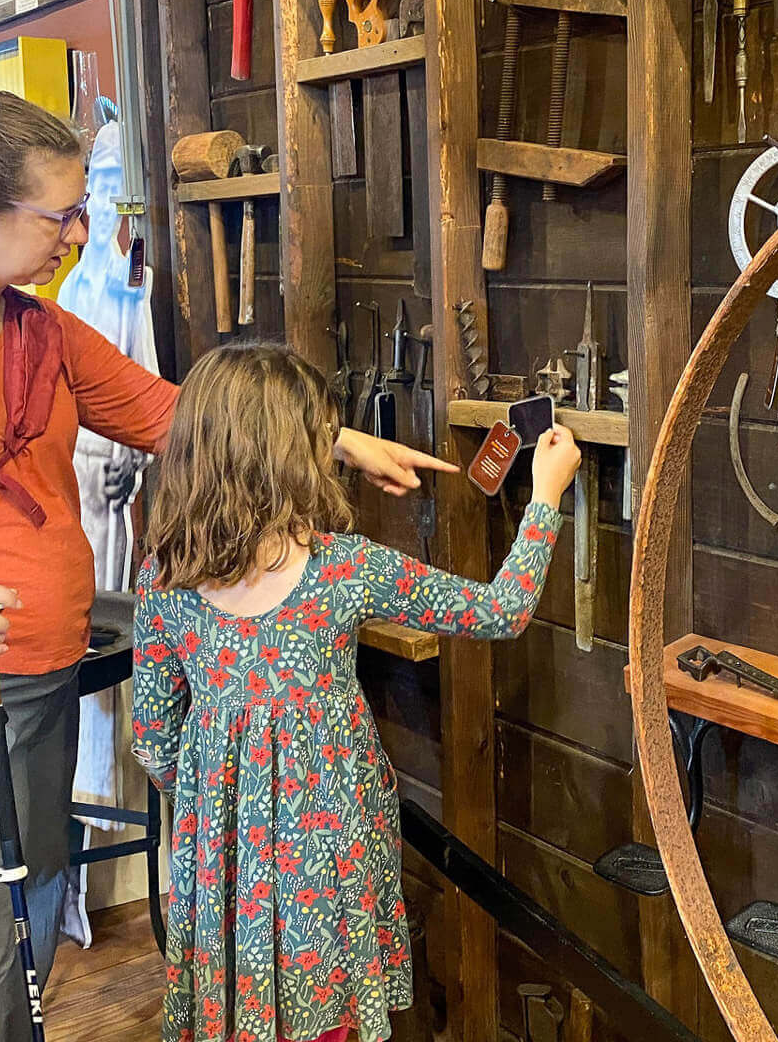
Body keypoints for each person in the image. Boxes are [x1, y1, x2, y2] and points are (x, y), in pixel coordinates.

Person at [0, 53, 452, 1042]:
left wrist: (335, 437)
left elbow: (182, 415)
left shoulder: (37, 329)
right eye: (59, 214)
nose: (79, 233)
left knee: (19, 934)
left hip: (28, 685)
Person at [129, 342, 581, 1042]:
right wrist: (547, 494)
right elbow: (502, 609)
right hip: (331, 851)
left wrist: (219, 794)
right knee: (327, 1016)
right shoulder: (343, 570)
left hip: (224, 873)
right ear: (292, 457)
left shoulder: (166, 578)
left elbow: (153, 737)